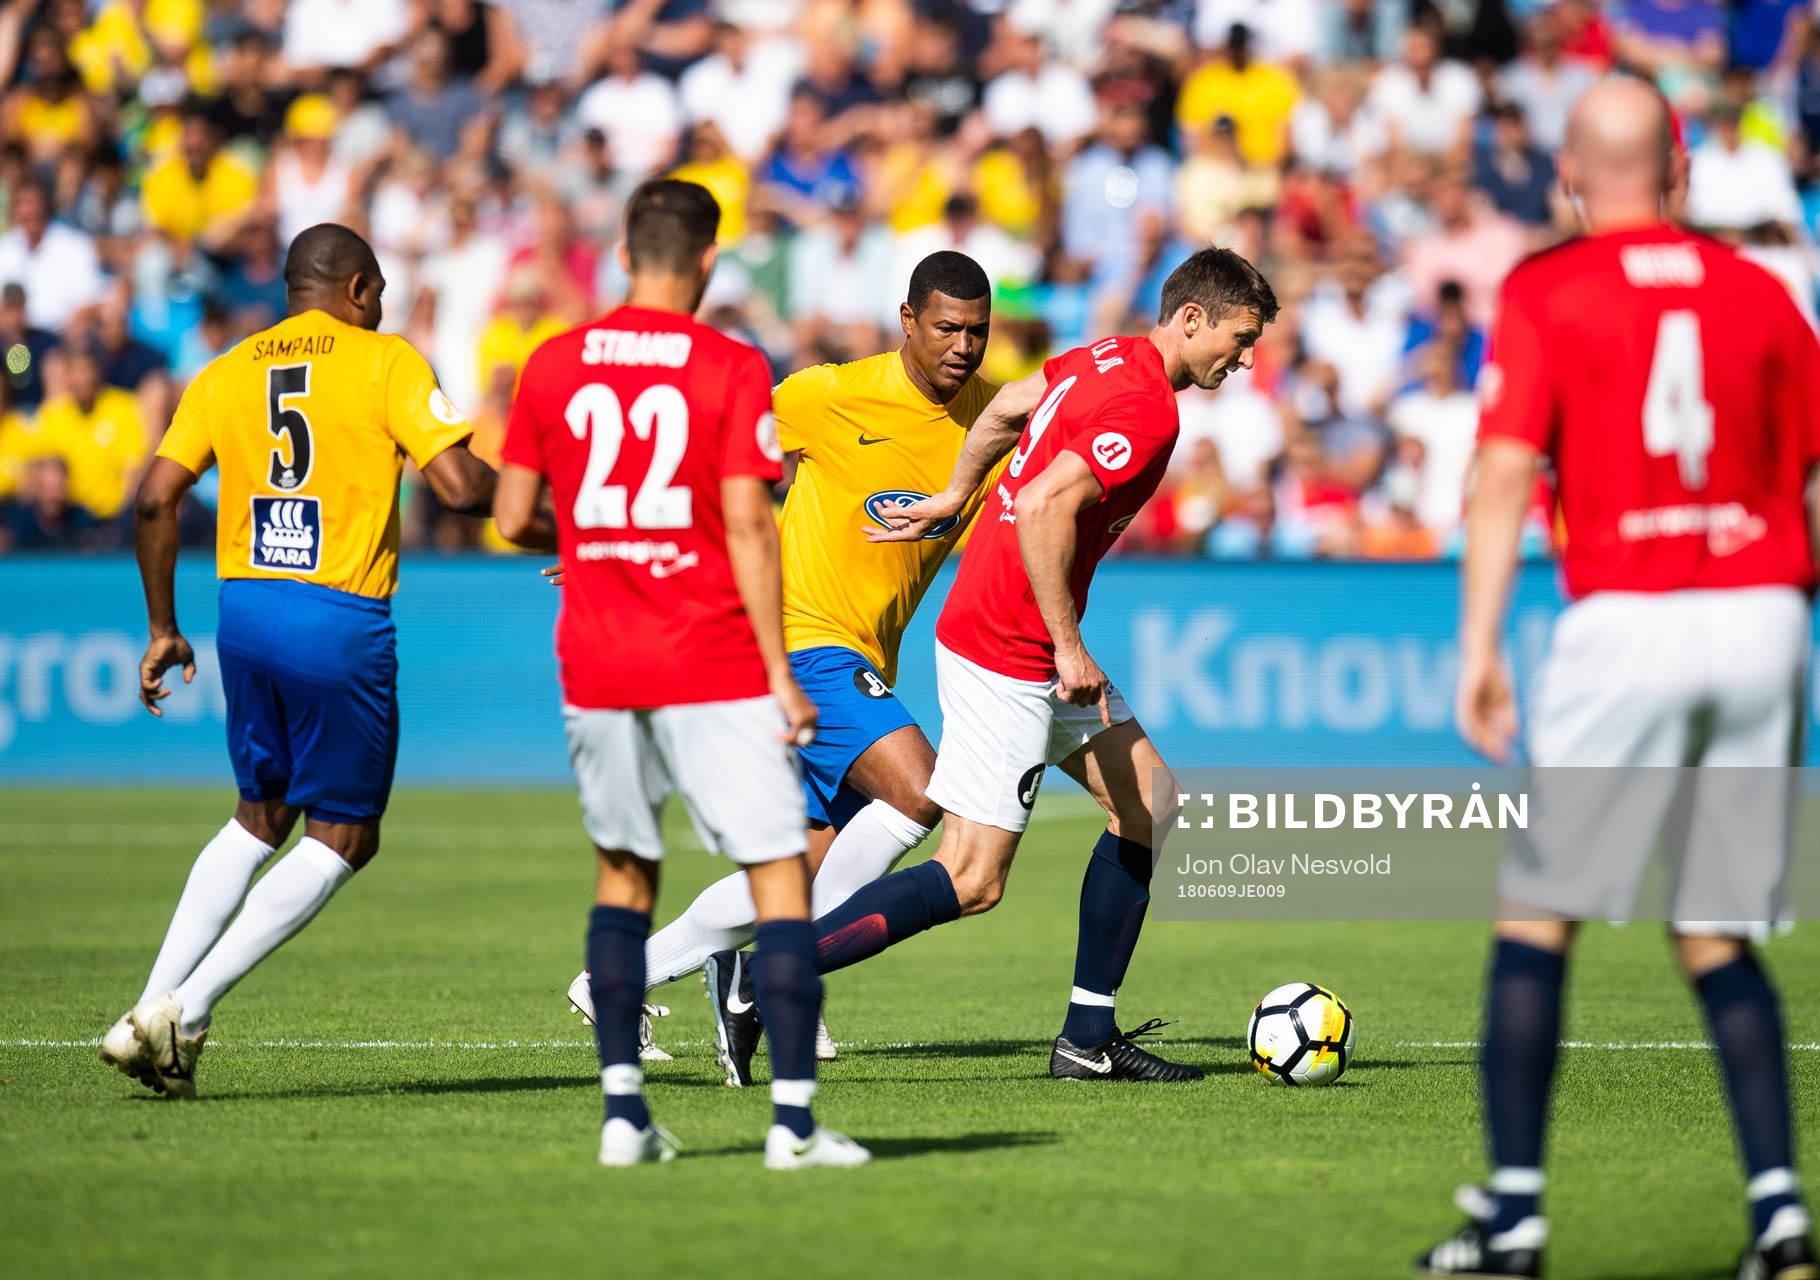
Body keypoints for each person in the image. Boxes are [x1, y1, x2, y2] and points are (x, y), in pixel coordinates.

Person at [1418, 77, 1820, 1279]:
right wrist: (1790, 582)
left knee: (1537, 913)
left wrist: (1477, 651)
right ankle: (1780, 1216)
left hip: (1626, 618)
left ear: (1571, 178)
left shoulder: (1546, 287)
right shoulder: (1759, 288)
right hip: (1761, 610)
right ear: (1680, 172)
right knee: (1715, 926)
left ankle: (1513, 1216)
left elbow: (1507, 472)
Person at [705, 247, 1278, 1086]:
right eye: (1242, 336)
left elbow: (1011, 407)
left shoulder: (1108, 356)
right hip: (1011, 647)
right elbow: (1046, 504)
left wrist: (949, 498)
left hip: (1017, 631)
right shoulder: (1148, 408)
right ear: (1192, 318)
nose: (1247, 357)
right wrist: (1068, 644)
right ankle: (766, 972)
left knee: (1149, 804)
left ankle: (1087, 1038)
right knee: (972, 879)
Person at [562, 251, 1037, 1076]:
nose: (964, 346)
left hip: (862, 651)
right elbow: (713, 446)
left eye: (979, 331)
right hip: (796, 637)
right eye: (948, 328)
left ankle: (621, 979)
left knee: (797, 867)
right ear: (908, 322)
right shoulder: (832, 394)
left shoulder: (992, 417)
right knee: (924, 791)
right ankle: (780, 973)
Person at [491, 179, 867, 1171]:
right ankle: (791, 1126)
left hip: (599, 654)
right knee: (780, 874)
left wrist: (606, 533)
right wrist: (783, 674)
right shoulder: (732, 366)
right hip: (708, 655)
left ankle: (625, 1114)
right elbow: (748, 520)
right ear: (706, 262)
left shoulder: (553, 361)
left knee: (625, 872)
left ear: (623, 251)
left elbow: (513, 511)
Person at [101, 224, 497, 1100]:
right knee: (346, 834)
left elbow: (155, 500)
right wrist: (560, 511)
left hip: (243, 607)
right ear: (357, 288)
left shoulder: (227, 369)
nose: (384, 303)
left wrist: (164, 626)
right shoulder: (384, 359)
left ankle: (145, 1008)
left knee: (259, 812)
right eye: (382, 288)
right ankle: (187, 1012)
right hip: (337, 613)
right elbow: (463, 489)